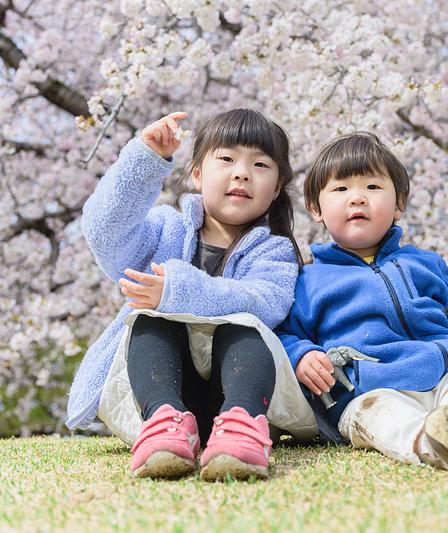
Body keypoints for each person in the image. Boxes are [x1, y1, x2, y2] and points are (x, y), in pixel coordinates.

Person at [66, 109, 317, 481]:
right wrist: (145, 160)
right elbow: (106, 234)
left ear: (277, 187)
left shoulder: (274, 250)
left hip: (238, 392)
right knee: (149, 317)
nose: (242, 173)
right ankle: (164, 425)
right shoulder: (165, 228)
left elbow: (265, 302)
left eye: (260, 165)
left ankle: (242, 426)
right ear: (197, 173)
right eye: (227, 159)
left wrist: (177, 290)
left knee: (244, 324)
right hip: (161, 388)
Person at [276, 132, 448, 472]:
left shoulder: (425, 263)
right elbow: (285, 335)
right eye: (341, 189)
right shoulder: (308, 281)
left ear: (399, 205)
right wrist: (302, 355)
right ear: (316, 208)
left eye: (373, 188)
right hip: (370, 385)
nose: (357, 198)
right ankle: (435, 442)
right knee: (380, 417)